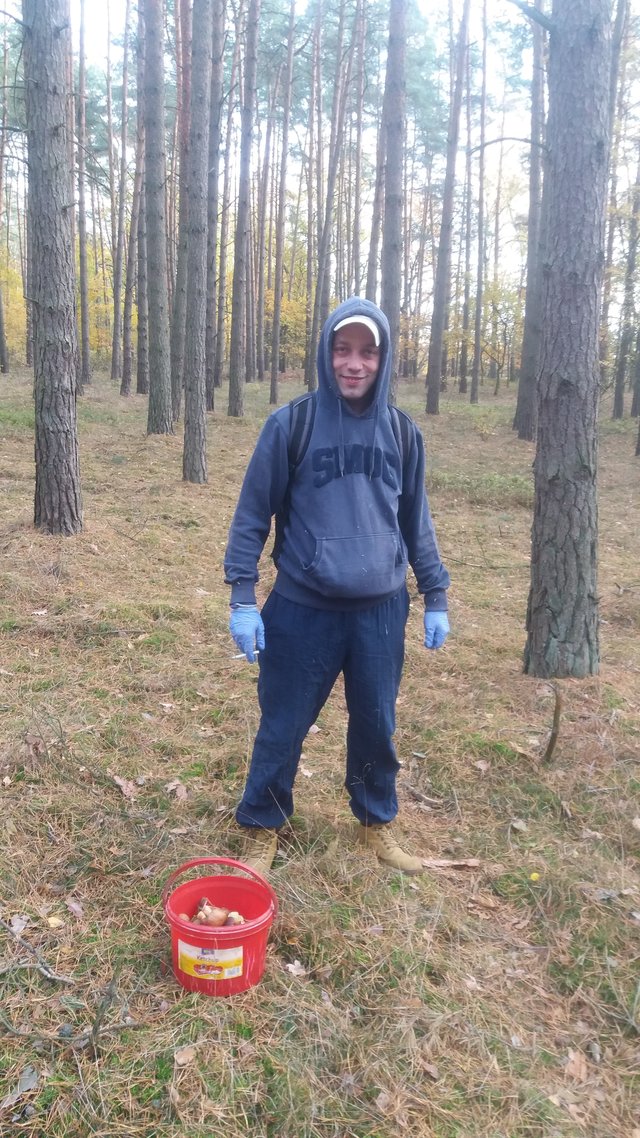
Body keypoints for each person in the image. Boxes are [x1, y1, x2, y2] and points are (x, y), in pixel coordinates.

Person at [224, 297, 450, 876]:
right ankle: (262, 827)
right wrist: (243, 598)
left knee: (377, 724)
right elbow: (252, 515)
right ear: (326, 354)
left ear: (383, 358)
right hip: (303, 608)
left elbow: (415, 520)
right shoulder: (291, 425)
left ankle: (375, 824)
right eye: (343, 350)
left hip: (381, 611)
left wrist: (435, 595)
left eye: (367, 352)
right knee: (283, 724)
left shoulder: (402, 433)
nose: (354, 363)